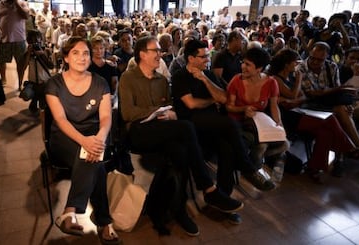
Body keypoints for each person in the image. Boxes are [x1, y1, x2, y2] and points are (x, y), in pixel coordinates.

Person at [119, 36, 243, 236]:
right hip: (139, 132)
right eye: (156, 50)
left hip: (163, 130)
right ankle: (208, 188)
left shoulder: (161, 80)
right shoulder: (128, 77)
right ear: (142, 54)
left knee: (181, 152)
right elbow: (127, 113)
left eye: (160, 50)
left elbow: (172, 108)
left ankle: (179, 209)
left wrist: (169, 113)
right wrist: (158, 110)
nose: (161, 54)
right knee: (186, 127)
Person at [171, 40, 276, 224]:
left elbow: (224, 98)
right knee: (230, 124)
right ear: (191, 58)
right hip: (192, 126)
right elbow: (191, 104)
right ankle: (248, 168)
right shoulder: (180, 76)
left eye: (207, 55)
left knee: (227, 147)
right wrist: (211, 101)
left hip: (213, 125)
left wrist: (204, 79)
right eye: (203, 56)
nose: (207, 59)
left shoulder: (208, 74)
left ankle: (222, 201)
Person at [45, 36, 121, 244]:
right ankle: (102, 220)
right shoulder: (54, 84)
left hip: (94, 135)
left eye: (86, 53)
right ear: (66, 58)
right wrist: (85, 142)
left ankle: (70, 212)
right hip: (63, 137)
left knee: (93, 160)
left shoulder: (100, 82)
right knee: (90, 156)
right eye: (75, 53)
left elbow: (106, 117)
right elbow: (60, 119)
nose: (82, 57)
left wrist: (99, 138)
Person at [269, 48, 356, 182]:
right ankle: (350, 149)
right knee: (330, 119)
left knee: (325, 132)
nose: (297, 64)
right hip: (286, 117)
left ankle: (315, 167)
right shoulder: (276, 78)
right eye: (294, 62)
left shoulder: (290, 77)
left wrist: (293, 100)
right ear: (286, 64)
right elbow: (292, 95)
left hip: (297, 111)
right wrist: (298, 83)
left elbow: (301, 97)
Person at [226, 47, 289, 183]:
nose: (243, 66)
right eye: (243, 62)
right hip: (238, 122)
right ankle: (253, 173)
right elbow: (229, 106)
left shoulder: (271, 82)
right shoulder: (236, 80)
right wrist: (243, 109)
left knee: (284, 143)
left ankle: (250, 165)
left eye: (248, 64)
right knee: (261, 145)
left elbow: (274, 106)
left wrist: (279, 124)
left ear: (259, 68)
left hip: (258, 123)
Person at [0, 0, 29, 91]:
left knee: (20, 63)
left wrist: (16, 3)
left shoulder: (22, 3)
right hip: (3, 39)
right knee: (1, 61)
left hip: (19, 40)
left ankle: (20, 83)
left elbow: (26, 16)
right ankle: (3, 80)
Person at [23, 29, 53, 114]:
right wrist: (29, 53)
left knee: (43, 104)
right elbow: (24, 67)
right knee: (32, 96)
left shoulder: (46, 50)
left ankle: (40, 108)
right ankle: (34, 103)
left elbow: (51, 66)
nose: (36, 41)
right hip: (33, 81)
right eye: (32, 40)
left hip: (44, 81)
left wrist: (43, 54)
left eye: (37, 38)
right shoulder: (28, 52)